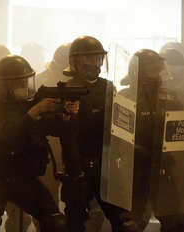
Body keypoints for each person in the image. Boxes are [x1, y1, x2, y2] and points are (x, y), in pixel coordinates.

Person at [0, 54, 74, 232]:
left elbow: (45, 125)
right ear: (4, 85)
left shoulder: (24, 102)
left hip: (21, 175)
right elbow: (6, 135)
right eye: (19, 82)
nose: (25, 86)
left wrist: (64, 115)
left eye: (27, 81)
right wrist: (35, 110)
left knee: (55, 222)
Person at [58, 35, 138, 232]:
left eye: (97, 58)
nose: (94, 63)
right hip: (79, 166)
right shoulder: (67, 91)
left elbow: (121, 127)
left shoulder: (107, 87)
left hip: (107, 165)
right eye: (88, 58)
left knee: (127, 224)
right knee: (75, 224)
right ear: (75, 61)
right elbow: (68, 137)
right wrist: (76, 172)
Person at [119, 49, 184, 232]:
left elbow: (183, 126)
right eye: (151, 70)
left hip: (164, 167)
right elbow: (118, 138)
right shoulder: (125, 97)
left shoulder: (169, 96)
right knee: (132, 224)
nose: (157, 75)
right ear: (138, 72)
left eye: (159, 69)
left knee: (175, 220)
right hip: (137, 170)